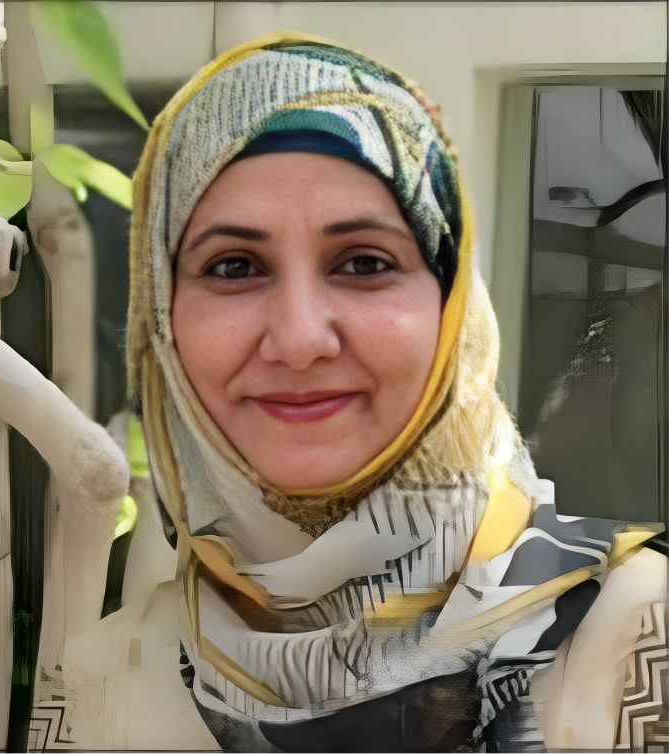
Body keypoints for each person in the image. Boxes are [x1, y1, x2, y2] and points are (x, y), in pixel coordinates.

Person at [125, 31, 667, 753]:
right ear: (160, 322)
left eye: (364, 262)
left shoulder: (636, 639)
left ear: (450, 312)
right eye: (232, 267)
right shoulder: (107, 679)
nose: (299, 338)